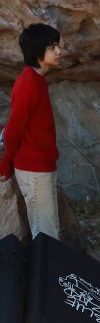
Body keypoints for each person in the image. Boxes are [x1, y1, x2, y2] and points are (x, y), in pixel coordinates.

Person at [0, 23, 63, 239]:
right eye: (52, 46)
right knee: (46, 235)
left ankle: (50, 271)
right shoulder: (28, 83)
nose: (58, 51)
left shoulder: (37, 81)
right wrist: (7, 162)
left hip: (42, 167)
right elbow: (14, 130)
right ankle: (48, 273)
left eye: (58, 45)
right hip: (34, 171)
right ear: (38, 51)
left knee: (48, 230)